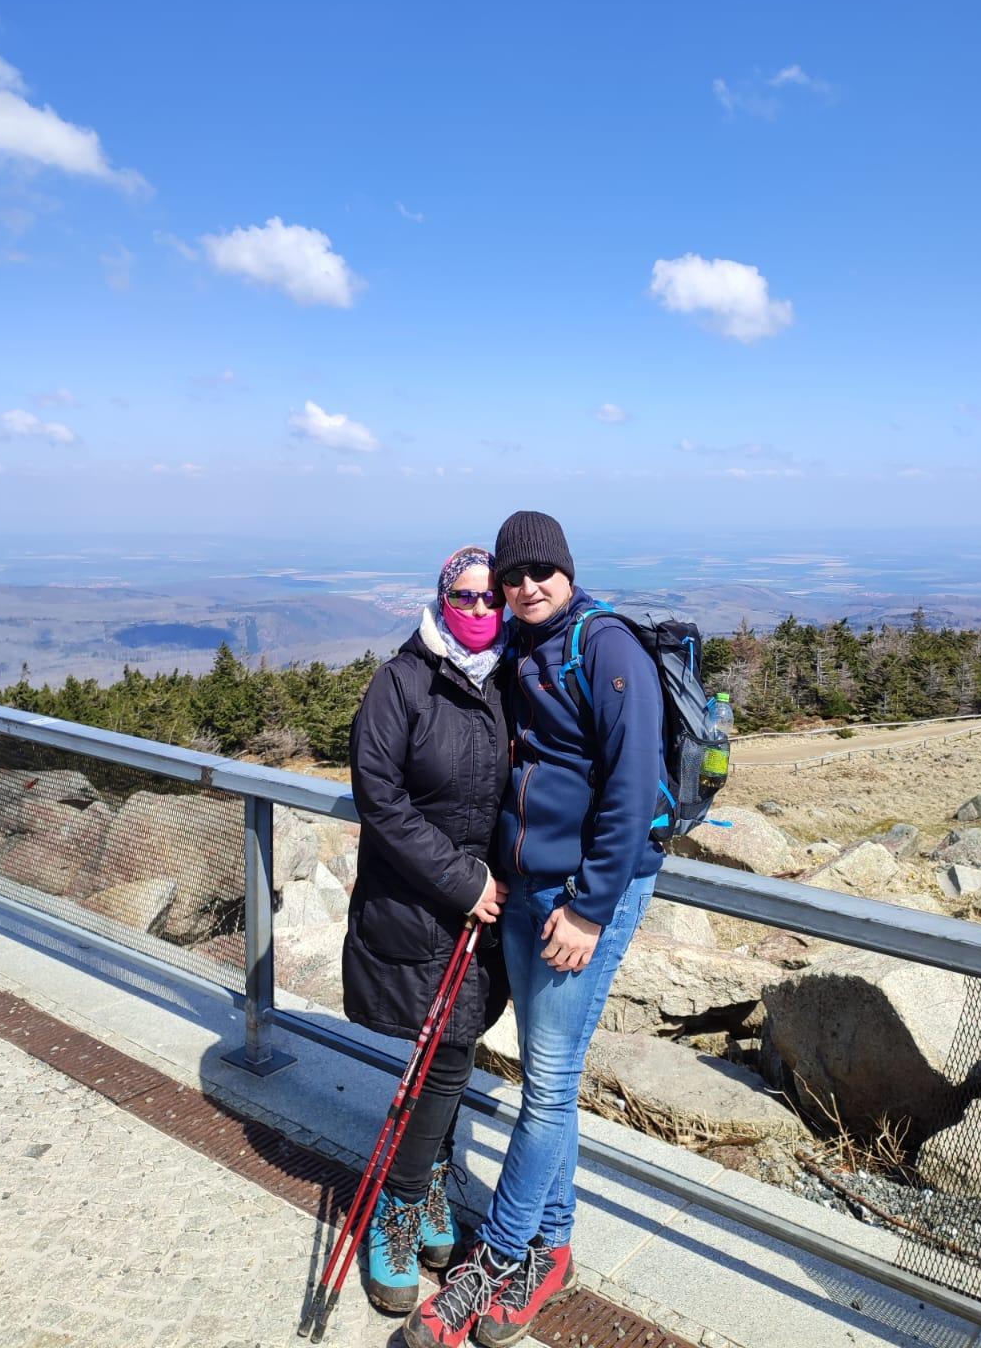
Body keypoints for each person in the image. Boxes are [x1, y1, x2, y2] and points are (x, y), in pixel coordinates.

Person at [405, 511, 667, 1348]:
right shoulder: (524, 643)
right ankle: (552, 1252)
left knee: (548, 1086)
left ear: (567, 569)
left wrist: (589, 910)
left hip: (580, 899)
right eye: (512, 577)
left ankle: (496, 1259)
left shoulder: (607, 648)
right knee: (549, 1084)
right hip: (526, 887)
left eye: (539, 572)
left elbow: (632, 789)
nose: (524, 588)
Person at [344, 545, 511, 1315]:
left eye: (489, 597)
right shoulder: (401, 682)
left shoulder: (509, 680)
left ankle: (432, 1190)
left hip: (483, 914)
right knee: (444, 1062)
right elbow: (379, 799)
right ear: (442, 600)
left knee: (449, 1055)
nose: (478, 609)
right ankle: (399, 1209)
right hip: (419, 907)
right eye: (464, 596)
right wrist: (463, 880)